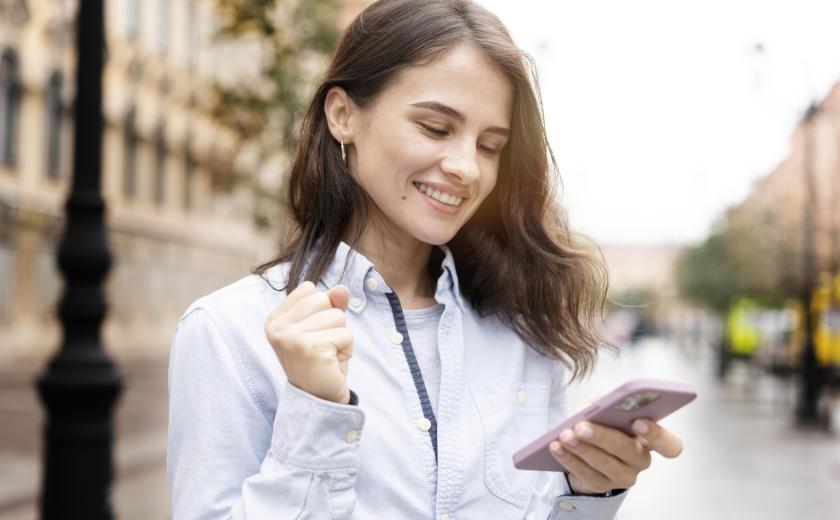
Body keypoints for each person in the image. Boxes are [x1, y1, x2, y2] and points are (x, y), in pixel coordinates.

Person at [166, 0, 685, 518]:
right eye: (436, 128)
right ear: (344, 115)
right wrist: (317, 413)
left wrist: (589, 493)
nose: (466, 168)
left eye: (489, 145)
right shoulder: (229, 332)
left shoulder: (523, 329)